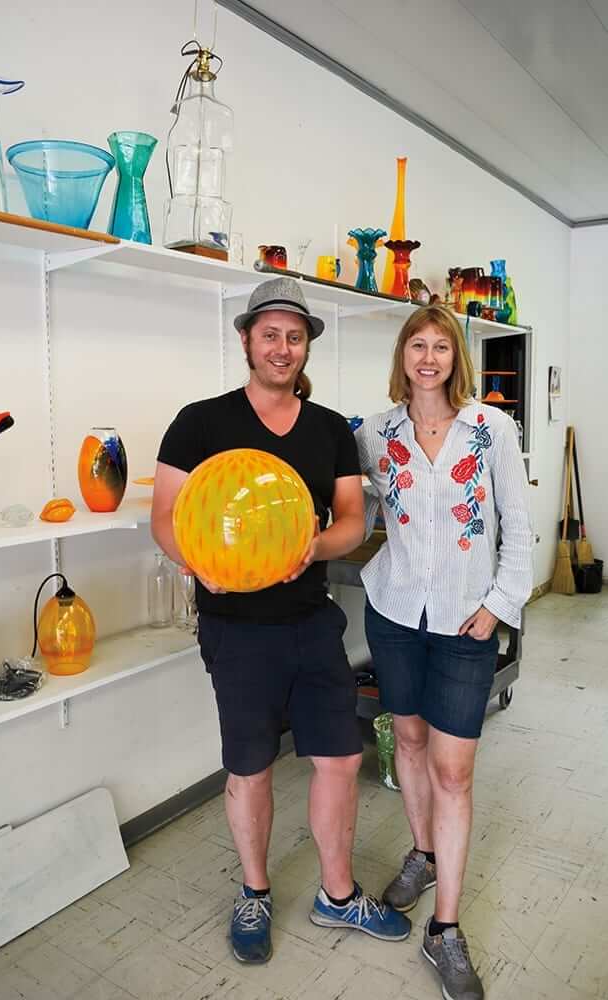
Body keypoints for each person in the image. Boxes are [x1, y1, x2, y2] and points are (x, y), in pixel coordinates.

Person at [151, 277, 411, 965]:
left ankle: (335, 893)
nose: (282, 347)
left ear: (305, 347)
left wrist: (313, 548)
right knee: (252, 766)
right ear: (246, 339)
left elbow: (354, 521)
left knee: (338, 758)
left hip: (311, 620)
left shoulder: (330, 430)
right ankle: (256, 892)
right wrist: (197, 562)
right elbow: (167, 518)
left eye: (294, 337)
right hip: (235, 629)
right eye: (269, 334)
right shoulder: (200, 422)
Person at [355, 304, 532, 1000]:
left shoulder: (492, 430)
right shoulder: (376, 432)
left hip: (467, 623)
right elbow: (365, 511)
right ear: (401, 356)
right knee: (407, 736)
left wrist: (498, 606)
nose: (428, 358)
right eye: (416, 346)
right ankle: (422, 854)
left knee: (453, 770)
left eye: (440, 347)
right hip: (395, 610)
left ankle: (445, 931)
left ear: (457, 357)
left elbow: (517, 526)